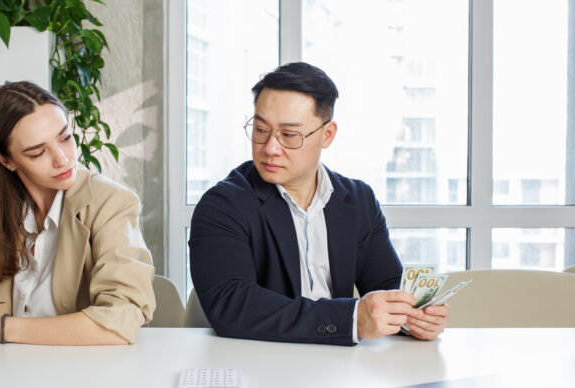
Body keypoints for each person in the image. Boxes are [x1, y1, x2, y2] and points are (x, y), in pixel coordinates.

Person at [188, 62, 450, 346]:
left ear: (327, 135)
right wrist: (351, 318)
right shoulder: (223, 205)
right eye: (261, 129)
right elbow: (232, 306)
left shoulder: (358, 201)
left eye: (289, 135)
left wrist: (415, 318)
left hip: (340, 368)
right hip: (259, 363)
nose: (269, 148)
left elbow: (387, 288)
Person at [0, 81, 155, 345]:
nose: (62, 159)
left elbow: (120, 322)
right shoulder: (9, 212)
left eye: (65, 137)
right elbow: (28, 316)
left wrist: (2, 328)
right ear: (6, 160)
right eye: (38, 152)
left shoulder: (111, 203)